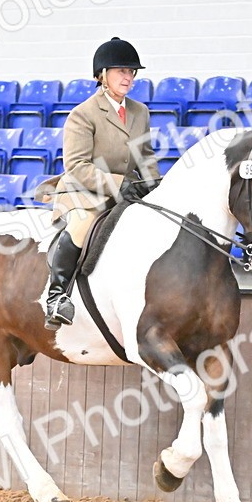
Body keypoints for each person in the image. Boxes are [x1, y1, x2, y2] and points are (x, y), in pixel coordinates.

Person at [44, 37, 160, 330]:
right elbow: (77, 166)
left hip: (128, 190)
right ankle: (57, 296)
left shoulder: (140, 112)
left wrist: (156, 186)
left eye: (132, 72)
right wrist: (118, 184)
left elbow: (145, 155)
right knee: (84, 223)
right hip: (85, 191)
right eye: (121, 71)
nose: (128, 77)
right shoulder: (82, 114)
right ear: (102, 75)